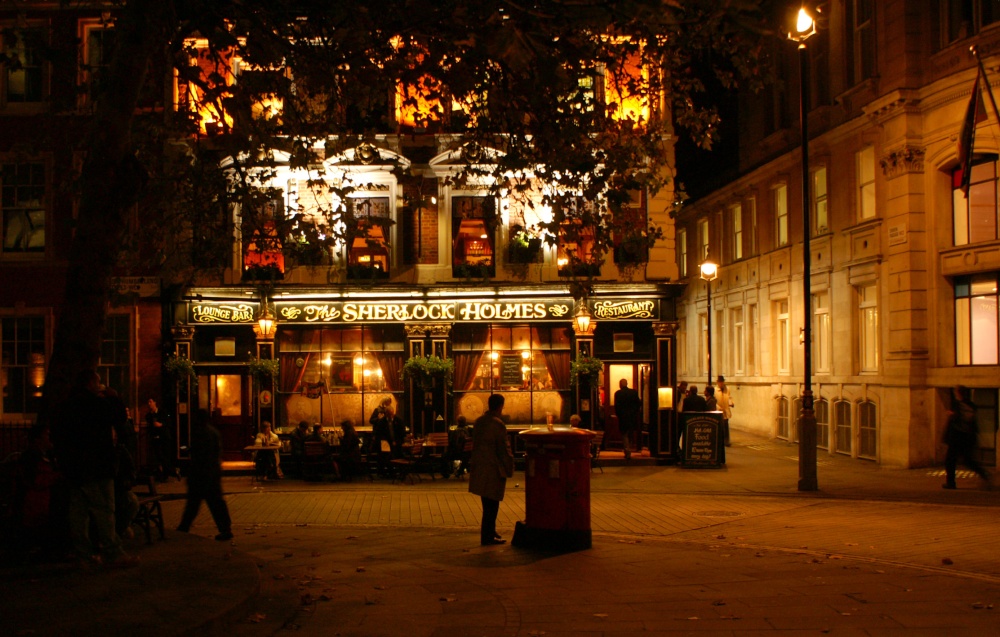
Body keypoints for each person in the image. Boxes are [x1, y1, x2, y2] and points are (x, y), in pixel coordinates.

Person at [51, 369, 139, 569]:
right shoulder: (97, 405)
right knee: (105, 511)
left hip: (73, 469)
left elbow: (57, 436)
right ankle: (112, 552)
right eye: (98, 382)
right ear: (91, 384)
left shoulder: (64, 407)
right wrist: (114, 397)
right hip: (96, 466)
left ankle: (84, 554)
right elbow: (119, 418)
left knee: (78, 513)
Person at [177, 409, 233, 541]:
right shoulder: (213, 432)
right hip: (212, 472)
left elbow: (199, 454)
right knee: (216, 503)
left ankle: (183, 528)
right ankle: (225, 528)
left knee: (194, 503)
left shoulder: (200, 432)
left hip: (201, 474)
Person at [469, 394, 514, 546]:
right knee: (492, 505)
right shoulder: (498, 424)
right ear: (500, 406)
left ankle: (489, 532)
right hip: (494, 468)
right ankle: (488, 536)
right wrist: (509, 467)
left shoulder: (479, 422)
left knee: (486, 503)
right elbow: (503, 448)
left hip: (480, 467)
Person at [942, 385, 991, 489]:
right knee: (968, 460)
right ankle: (984, 474)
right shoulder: (971, 405)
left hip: (957, 437)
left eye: (956, 392)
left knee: (950, 460)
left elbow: (956, 420)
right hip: (967, 437)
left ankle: (951, 482)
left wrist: (951, 415)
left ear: (958, 393)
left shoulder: (958, 405)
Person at [146, 398, 174, 482]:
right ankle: (161, 473)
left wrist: (161, 424)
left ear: (155, 402)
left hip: (164, 437)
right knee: (158, 456)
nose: (149, 404)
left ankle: (167, 473)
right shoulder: (148, 415)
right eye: (148, 402)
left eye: (151, 402)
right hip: (155, 438)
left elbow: (169, 422)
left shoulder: (163, 412)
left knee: (164, 456)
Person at [614, 378, 642, 460]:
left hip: (623, 417)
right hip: (632, 417)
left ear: (620, 384)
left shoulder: (618, 394)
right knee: (631, 433)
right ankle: (631, 447)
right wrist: (635, 412)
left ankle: (627, 450)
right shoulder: (633, 392)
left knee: (624, 434)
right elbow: (638, 403)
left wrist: (619, 415)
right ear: (626, 384)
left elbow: (617, 406)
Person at [370, 397, 394, 476]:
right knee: (383, 455)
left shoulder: (389, 412)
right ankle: (384, 471)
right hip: (381, 437)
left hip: (385, 437)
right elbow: (371, 420)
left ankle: (383, 471)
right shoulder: (377, 410)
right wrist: (378, 418)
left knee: (385, 455)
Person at [716, 376, 733, 447]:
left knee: (726, 426)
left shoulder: (727, 389)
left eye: (722, 382)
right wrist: (718, 407)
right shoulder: (715, 390)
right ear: (718, 382)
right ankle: (720, 440)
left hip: (726, 410)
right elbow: (714, 401)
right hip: (719, 411)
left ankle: (726, 441)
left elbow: (729, 397)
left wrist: (731, 402)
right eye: (720, 382)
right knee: (719, 427)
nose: (721, 383)